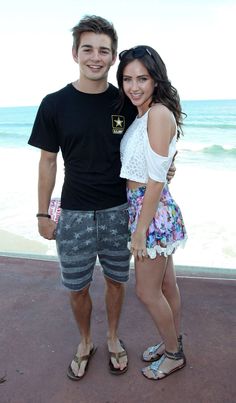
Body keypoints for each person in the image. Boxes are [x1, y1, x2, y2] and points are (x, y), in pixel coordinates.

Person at [28, 16, 176, 380]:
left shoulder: (124, 101)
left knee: (115, 281)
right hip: (73, 213)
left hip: (119, 211)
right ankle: (84, 341)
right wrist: (42, 214)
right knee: (76, 287)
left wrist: (168, 167)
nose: (96, 57)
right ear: (75, 53)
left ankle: (112, 338)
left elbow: (153, 138)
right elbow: (48, 161)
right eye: (88, 49)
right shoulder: (53, 104)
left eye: (104, 51)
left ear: (113, 59)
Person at [117, 45, 187, 380]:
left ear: (155, 80)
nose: (134, 86)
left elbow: (156, 180)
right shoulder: (144, 114)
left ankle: (173, 354)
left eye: (142, 78)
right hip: (149, 208)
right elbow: (159, 162)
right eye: (128, 79)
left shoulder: (157, 113)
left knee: (146, 291)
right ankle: (170, 340)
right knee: (167, 285)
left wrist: (140, 229)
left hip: (151, 212)